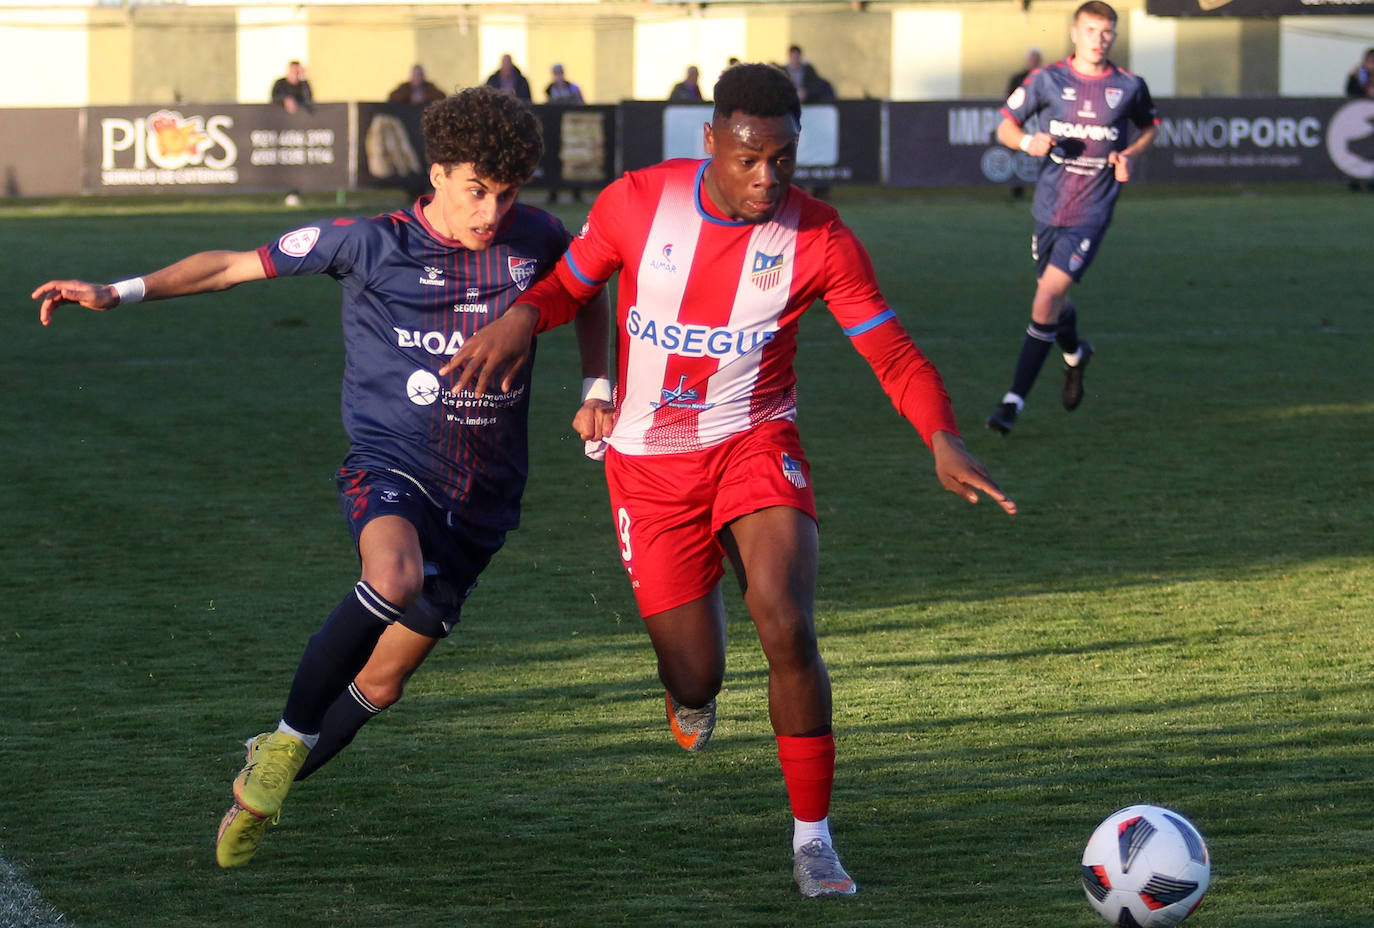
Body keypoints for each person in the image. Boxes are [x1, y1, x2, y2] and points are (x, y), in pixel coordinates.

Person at [439, 62, 1017, 898]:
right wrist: (524, 317)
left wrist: (942, 437)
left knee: (785, 619)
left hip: (754, 442)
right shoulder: (638, 201)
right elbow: (573, 285)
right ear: (710, 141)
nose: (767, 177)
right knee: (695, 674)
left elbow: (890, 351)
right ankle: (690, 693)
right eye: (749, 157)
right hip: (648, 467)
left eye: (783, 158)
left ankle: (813, 839)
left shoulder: (819, 239)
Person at [31, 86, 608, 870]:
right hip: (390, 464)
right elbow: (230, 267)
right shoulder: (366, 243)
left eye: (507, 193)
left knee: (386, 682)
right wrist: (118, 290)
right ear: (436, 173)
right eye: (477, 189)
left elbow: (587, 293)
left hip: (486, 496)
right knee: (393, 575)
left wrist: (596, 388)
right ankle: (288, 742)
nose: (491, 211)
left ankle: (261, 782)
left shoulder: (537, 237)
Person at [985, 1, 1158, 435]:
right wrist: (1028, 143)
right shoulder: (1047, 79)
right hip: (1048, 209)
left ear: (1114, 37)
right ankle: (1076, 355)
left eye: (1107, 32)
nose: (1099, 39)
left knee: (1045, 300)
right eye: (1092, 30)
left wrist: (1129, 156)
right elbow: (1004, 125)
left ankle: (1012, 402)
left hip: (1092, 213)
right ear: (1074, 33)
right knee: (1053, 300)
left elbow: (1150, 126)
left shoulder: (1130, 85)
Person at [1005, 48, 1043, 201]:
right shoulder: (1018, 78)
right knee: (1019, 152)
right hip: (1022, 123)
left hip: (1039, 123)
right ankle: (1017, 189)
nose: (1034, 62)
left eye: (1036, 59)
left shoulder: (1045, 78)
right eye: (1032, 59)